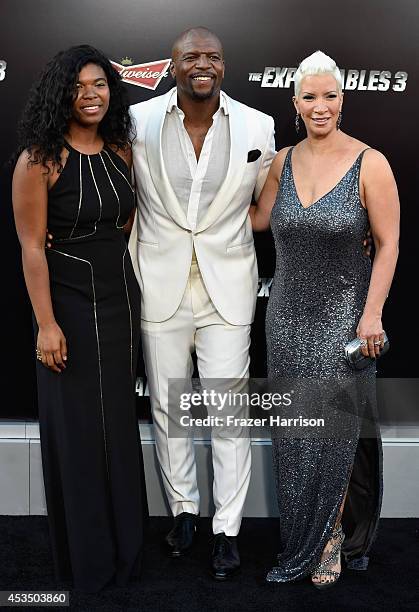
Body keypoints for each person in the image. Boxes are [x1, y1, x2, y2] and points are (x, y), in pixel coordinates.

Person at [128, 27, 275, 580]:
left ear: (224, 64)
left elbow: (265, 204)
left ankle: (227, 530)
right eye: (191, 56)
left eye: (212, 56)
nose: (202, 64)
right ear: (172, 64)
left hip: (228, 287)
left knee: (228, 411)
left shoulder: (259, 126)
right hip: (161, 284)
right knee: (168, 408)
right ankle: (184, 511)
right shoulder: (137, 120)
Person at [250, 50, 400, 588]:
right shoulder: (280, 162)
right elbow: (258, 220)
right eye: (309, 97)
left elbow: (387, 245)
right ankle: (303, 537)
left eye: (330, 96)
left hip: (344, 321)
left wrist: (372, 315)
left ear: (343, 99)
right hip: (286, 318)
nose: (320, 106)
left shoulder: (370, 162)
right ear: (295, 103)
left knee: (335, 433)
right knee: (295, 434)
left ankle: (334, 536)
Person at [12, 45, 147, 592]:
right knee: (78, 434)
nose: (90, 96)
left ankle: (126, 554)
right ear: (60, 95)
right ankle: (87, 563)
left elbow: (127, 223)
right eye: (78, 87)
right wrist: (46, 324)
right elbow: (31, 248)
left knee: (117, 427)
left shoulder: (121, 149)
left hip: (119, 304)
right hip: (65, 307)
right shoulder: (38, 161)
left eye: (99, 85)